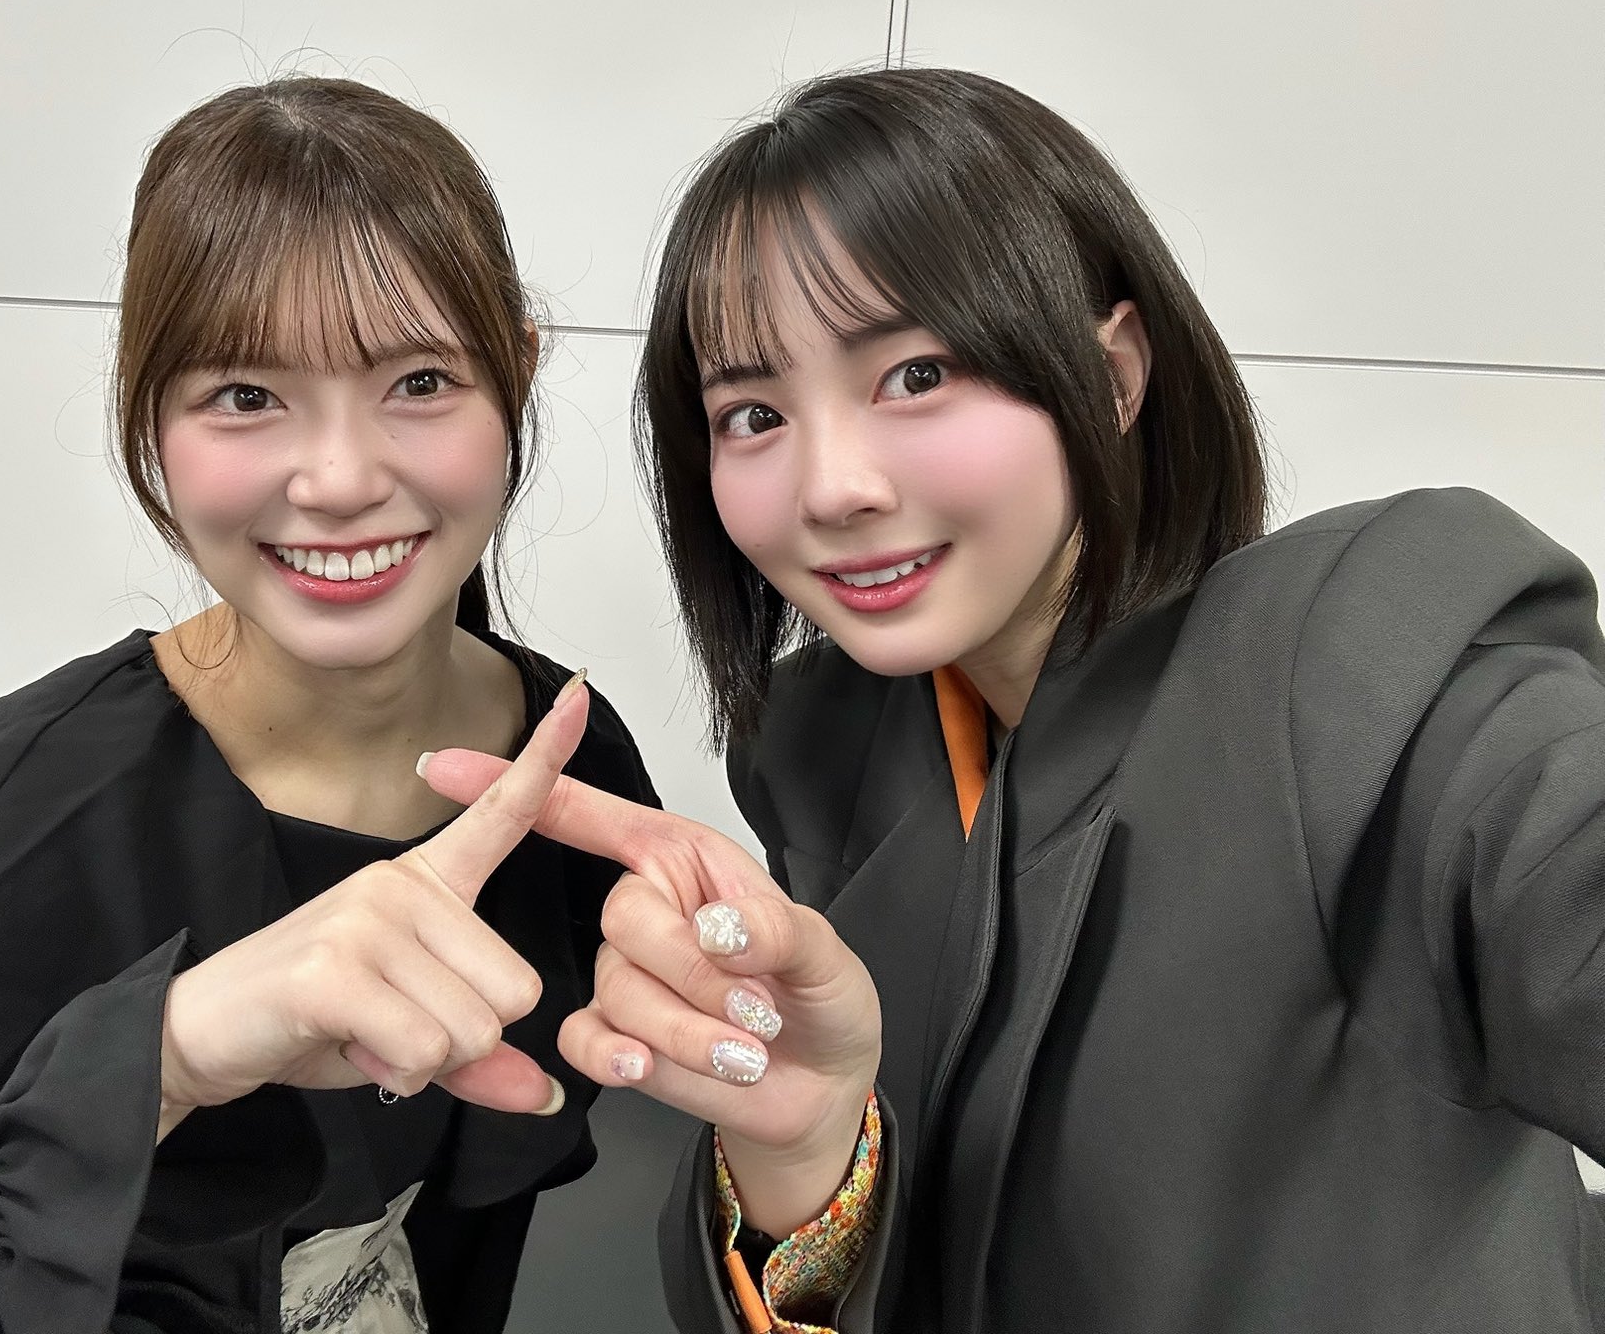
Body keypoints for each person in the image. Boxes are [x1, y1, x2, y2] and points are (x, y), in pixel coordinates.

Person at [421, 68, 1605, 1331]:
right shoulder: (820, 751)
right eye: (753, 413)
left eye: (915, 375)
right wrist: (801, 1147)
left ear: (1112, 372)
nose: (831, 487)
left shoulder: (1375, 657)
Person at [0, 77, 659, 1334]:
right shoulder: (6, 832)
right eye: (244, 396)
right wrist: (158, 1062)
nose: (340, 478)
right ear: (149, 420)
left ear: (518, 375)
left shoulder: (565, 766)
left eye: (419, 382)